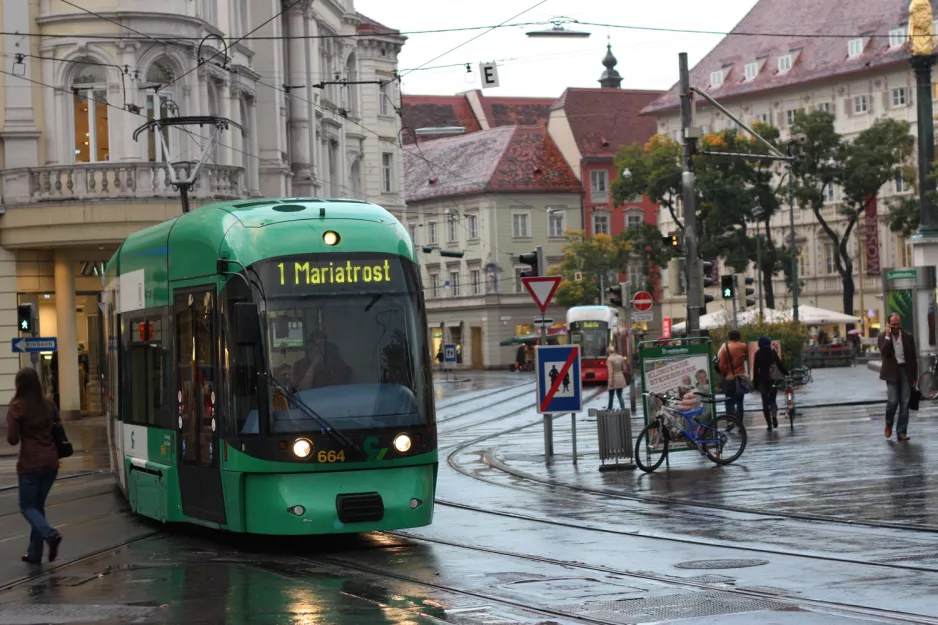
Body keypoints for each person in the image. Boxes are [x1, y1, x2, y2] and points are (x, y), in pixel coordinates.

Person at [7, 367, 63, 564]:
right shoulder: (48, 404)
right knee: (37, 507)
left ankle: (50, 534)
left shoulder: (17, 407)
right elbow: (58, 427)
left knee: (27, 506)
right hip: (51, 463)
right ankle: (34, 553)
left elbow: (12, 439)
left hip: (30, 464)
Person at [878, 313, 918, 441]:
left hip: (905, 371)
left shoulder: (908, 336)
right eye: (893, 324)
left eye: (898, 324)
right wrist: (888, 337)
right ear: (888, 324)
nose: (896, 327)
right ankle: (889, 424)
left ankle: (901, 432)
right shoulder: (882, 336)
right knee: (893, 401)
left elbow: (913, 357)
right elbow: (885, 352)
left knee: (905, 403)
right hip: (891, 372)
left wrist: (914, 376)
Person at [752, 336, 788, 431]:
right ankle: (774, 417)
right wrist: (787, 373)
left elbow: (755, 370)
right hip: (772, 379)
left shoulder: (757, 354)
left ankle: (769, 424)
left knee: (765, 402)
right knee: (772, 400)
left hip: (762, 380)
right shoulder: (772, 353)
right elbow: (779, 365)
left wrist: (755, 383)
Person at [717, 329, 748, 426]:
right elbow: (746, 358)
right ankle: (740, 424)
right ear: (738, 337)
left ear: (729, 337)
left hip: (729, 378)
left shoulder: (725, 348)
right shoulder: (744, 346)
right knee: (740, 402)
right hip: (741, 377)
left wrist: (725, 373)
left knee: (729, 401)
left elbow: (721, 366)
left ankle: (730, 422)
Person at [605, 346, 627, 410]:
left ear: (608, 351)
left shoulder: (609, 359)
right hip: (621, 378)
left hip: (613, 379)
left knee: (611, 395)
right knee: (620, 395)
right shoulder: (620, 357)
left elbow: (611, 372)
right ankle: (623, 408)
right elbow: (624, 368)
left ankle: (609, 408)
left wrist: (610, 382)